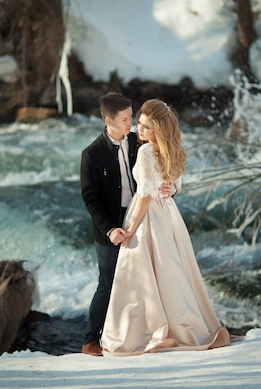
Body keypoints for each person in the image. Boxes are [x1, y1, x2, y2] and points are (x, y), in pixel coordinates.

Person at [100, 98, 231, 356]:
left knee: (142, 273)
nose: (140, 130)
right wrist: (172, 188)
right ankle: (179, 323)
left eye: (146, 127)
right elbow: (175, 184)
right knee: (171, 270)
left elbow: (146, 195)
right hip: (169, 215)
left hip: (148, 215)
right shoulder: (172, 147)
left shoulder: (148, 151)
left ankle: (145, 330)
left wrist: (130, 228)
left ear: (158, 129)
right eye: (139, 124)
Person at [79, 93, 173, 356]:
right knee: (108, 282)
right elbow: (91, 198)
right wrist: (110, 229)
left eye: (131, 116)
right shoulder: (91, 154)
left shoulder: (139, 141)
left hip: (142, 219)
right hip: (109, 226)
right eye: (125, 119)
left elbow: (165, 166)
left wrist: (171, 187)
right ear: (108, 120)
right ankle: (90, 340)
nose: (131, 123)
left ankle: (138, 334)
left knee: (144, 278)